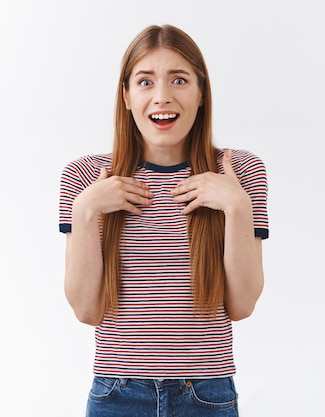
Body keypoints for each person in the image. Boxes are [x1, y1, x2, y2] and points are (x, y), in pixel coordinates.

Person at [58, 24, 269, 417]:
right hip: (116, 394)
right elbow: (86, 311)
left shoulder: (240, 171)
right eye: (145, 81)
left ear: (201, 92)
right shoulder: (85, 177)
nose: (162, 97)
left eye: (179, 79)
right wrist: (86, 212)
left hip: (207, 394)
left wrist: (238, 207)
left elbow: (242, 305)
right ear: (125, 95)